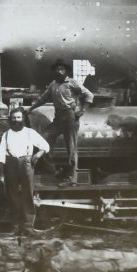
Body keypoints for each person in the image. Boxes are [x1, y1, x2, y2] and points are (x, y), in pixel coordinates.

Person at [28, 59, 94, 187]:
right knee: (43, 138)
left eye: (62, 69)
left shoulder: (72, 83)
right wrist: (30, 109)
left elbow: (89, 95)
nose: (59, 71)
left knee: (71, 148)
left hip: (70, 117)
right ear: (54, 71)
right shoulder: (53, 85)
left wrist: (82, 110)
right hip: (58, 118)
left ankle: (71, 178)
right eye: (57, 69)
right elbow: (42, 99)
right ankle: (51, 170)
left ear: (66, 71)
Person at [0, 108, 51, 236]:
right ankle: (15, 226)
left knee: (27, 195)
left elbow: (46, 146)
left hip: (26, 164)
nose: (16, 120)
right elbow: (0, 155)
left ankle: (28, 226)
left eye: (19, 117)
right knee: (13, 196)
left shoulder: (29, 132)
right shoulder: (6, 134)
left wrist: (38, 155)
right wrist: (1, 175)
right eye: (14, 118)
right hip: (11, 164)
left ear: (23, 119)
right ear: (11, 119)